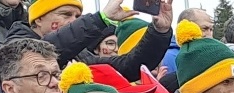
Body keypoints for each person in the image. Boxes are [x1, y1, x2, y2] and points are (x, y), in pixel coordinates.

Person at [9, 0, 172, 82]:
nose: (73, 21)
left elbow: (127, 67)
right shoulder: (16, 46)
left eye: (78, 17)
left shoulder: (80, 56)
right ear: (38, 19)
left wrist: (159, 31)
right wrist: (101, 19)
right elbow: (45, 52)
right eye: (66, 14)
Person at [161, 7, 211, 73]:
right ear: (185, 28)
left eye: (211, 29)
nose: (210, 35)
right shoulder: (171, 57)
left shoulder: (213, 54)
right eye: (204, 29)